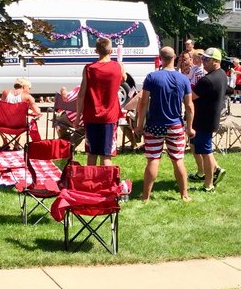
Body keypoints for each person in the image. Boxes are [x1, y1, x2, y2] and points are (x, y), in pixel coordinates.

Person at [132, 47, 193, 200]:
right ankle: (184, 195)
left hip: (154, 125)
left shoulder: (152, 77)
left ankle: (145, 196)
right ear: (175, 57)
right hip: (175, 125)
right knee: (178, 159)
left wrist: (139, 126)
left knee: (153, 159)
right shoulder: (184, 79)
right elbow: (190, 106)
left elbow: (143, 103)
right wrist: (190, 128)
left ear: (160, 58)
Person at [77, 37, 125, 166]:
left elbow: (81, 94)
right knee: (106, 155)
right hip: (109, 116)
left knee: (91, 154)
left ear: (96, 50)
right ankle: (106, 184)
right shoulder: (118, 67)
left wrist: (77, 117)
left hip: (91, 115)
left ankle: (91, 182)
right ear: (110, 50)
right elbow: (124, 79)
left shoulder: (89, 69)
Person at [189, 50, 227, 191]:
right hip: (211, 118)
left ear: (216, 61)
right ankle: (214, 171)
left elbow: (191, 97)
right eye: (203, 58)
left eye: (206, 59)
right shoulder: (222, 74)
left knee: (206, 152)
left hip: (204, 120)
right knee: (201, 148)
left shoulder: (207, 80)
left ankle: (209, 184)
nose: (203, 61)